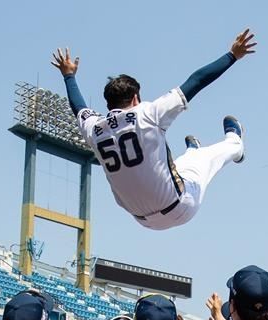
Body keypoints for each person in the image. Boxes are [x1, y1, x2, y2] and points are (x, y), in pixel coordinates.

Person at [51, 29, 256, 231]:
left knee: (180, 167)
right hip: (179, 207)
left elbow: (79, 107)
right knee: (206, 160)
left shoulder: (95, 129)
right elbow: (196, 81)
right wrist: (232, 55)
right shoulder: (148, 113)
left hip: (143, 220)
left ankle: (192, 151)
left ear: (108, 105)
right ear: (135, 98)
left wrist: (68, 75)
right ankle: (235, 143)